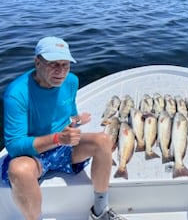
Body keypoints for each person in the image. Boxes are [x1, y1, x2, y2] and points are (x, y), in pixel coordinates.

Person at [1, 36, 127, 220]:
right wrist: (58, 139)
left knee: (103, 140)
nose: (61, 72)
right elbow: (14, 145)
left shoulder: (71, 81)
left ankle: (100, 211)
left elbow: (67, 112)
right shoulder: (16, 94)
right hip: (33, 154)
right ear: (37, 62)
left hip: (64, 148)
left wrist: (76, 120)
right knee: (19, 170)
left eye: (65, 65)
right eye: (54, 64)